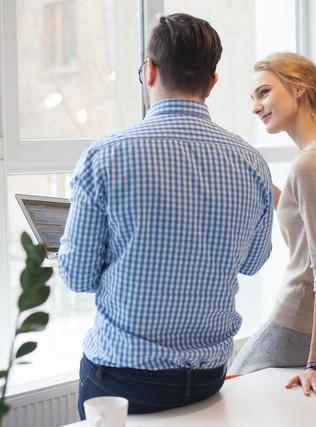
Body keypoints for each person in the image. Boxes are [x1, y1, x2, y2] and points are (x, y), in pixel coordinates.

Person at [58, 13, 273, 418]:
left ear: (150, 71)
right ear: (212, 83)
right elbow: (253, 261)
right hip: (209, 375)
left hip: (122, 379)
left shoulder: (106, 157)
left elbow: (77, 277)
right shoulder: (252, 162)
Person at [229, 52, 316, 398]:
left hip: (302, 328)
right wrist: (260, 179)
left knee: (231, 385)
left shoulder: (310, 164)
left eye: (263, 93)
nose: (256, 107)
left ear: (299, 88)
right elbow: (307, 214)